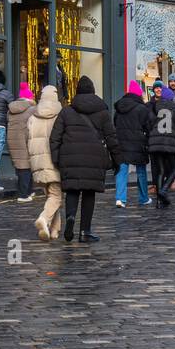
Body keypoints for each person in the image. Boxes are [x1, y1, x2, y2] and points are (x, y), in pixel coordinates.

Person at [49, 75, 120, 243]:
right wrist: (117, 159)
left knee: (72, 190)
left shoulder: (66, 111)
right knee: (89, 193)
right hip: (94, 158)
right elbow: (111, 137)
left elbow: (55, 137)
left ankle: (71, 217)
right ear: (93, 91)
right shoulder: (103, 112)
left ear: (77, 91)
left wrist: (56, 159)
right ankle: (85, 231)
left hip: (70, 157)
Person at [27, 85, 63, 241]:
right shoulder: (60, 116)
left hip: (38, 162)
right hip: (55, 162)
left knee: (51, 197)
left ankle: (54, 230)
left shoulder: (32, 117)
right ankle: (43, 219)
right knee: (56, 196)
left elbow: (26, 139)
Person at [147, 84, 175, 207]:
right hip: (170, 143)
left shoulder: (155, 109)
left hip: (155, 143)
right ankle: (163, 190)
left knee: (160, 171)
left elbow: (149, 124)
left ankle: (159, 202)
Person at [113, 80, 152, 208]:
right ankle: (143, 198)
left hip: (121, 142)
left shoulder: (119, 107)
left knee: (122, 170)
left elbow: (115, 123)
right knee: (141, 171)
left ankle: (120, 198)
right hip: (138, 143)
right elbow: (148, 126)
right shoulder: (142, 108)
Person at [7, 83, 37, 202]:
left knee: (21, 166)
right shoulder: (31, 109)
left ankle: (28, 191)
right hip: (25, 139)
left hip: (13, 139)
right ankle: (23, 194)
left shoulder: (11, 109)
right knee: (26, 166)